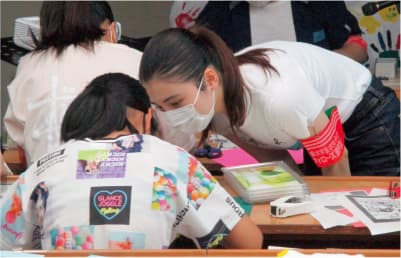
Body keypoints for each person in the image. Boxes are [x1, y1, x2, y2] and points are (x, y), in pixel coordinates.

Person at [0, 73, 263, 250]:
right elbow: (249, 242)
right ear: (147, 117)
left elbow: (5, 238)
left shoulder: (49, 165)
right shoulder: (171, 160)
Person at [139, 26, 400, 177]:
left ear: (209, 79)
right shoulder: (216, 110)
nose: (170, 114)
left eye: (175, 102)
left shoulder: (278, 98)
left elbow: (336, 160)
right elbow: (273, 156)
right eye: (160, 107)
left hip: (367, 118)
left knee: (366, 224)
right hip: (319, 129)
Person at [4, 1, 142, 166]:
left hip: (52, 184)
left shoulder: (30, 65)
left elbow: (19, 146)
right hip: (127, 182)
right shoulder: (135, 59)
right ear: (111, 29)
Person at [170, 1, 368, 63]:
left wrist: (319, 63)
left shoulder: (317, 3)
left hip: (318, 107)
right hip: (248, 111)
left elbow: (358, 49)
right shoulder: (222, 8)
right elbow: (195, 49)